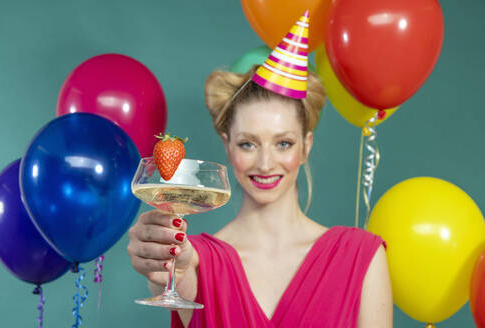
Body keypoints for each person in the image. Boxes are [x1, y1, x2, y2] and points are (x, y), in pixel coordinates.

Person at [127, 11, 392, 328]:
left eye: (283, 143)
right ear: (227, 146)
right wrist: (157, 263)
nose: (265, 164)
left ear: (306, 146)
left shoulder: (361, 257)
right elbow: (169, 277)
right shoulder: (196, 260)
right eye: (248, 144)